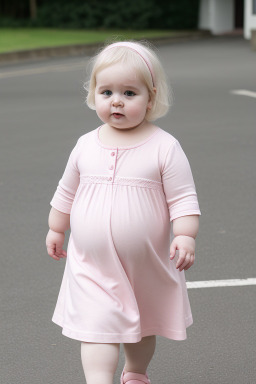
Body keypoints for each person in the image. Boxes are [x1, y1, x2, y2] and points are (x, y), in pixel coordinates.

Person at [46, 41, 201, 384]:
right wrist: (56, 228)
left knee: (144, 324)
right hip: (91, 262)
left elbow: (183, 199)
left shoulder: (164, 146)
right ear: (94, 94)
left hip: (144, 263)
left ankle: (135, 373)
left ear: (151, 97)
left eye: (129, 93)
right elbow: (66, 191)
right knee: (97, 326)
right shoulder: (86, 144)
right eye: (107, 91)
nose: (116, 100)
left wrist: (185, 235)